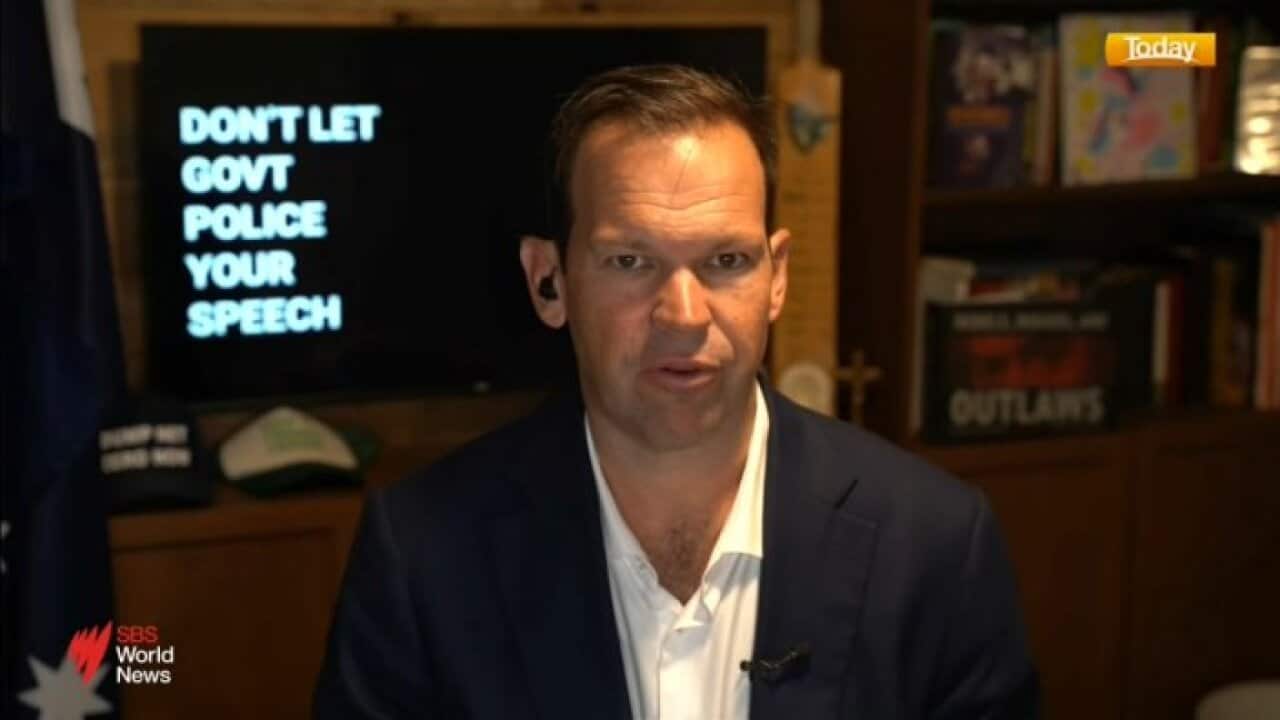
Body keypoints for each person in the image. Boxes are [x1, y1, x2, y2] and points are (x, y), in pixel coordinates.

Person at [313, 64, 1039, 719]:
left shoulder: (938, 544)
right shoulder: (421, 556)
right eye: (631, 261)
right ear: (549, 281)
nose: (684, 315)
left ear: (777, 277)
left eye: (727, 260)